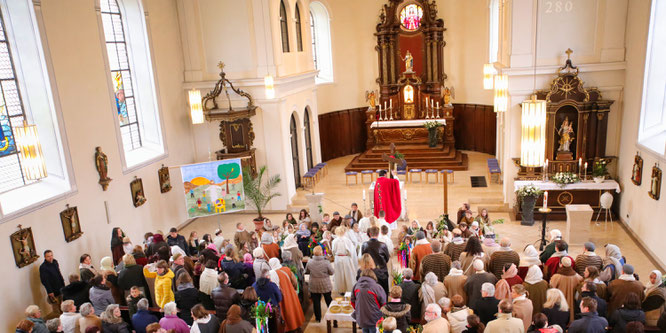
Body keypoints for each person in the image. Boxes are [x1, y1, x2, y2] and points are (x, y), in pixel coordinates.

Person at [269, 258, 305, 332]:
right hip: (291, 292)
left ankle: (288, 328)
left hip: (282, 295)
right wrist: (294, 289)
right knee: (293, 309)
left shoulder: (272, 273)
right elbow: (294, 281)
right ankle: (297, 326)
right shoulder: (286, 269)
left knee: (286, 311)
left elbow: (273, 287)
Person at [352, 269, 387, 333]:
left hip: (362, 317)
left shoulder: (356, 286)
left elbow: (352, 302)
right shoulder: (377, 287)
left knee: (364, 330)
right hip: (374, 318)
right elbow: (384, 304)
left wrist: (359, 310)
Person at [306, 245, 335, 322]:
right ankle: (333, 314)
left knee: (316, 301)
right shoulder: (326, 262)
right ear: (321, 253)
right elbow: (332, 272)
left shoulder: (310, 262)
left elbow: (307, 271)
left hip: (314, 283)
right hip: (325, 283)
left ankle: (318, 318)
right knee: (328, 299)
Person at [548, 257, 582, 323]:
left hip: (560, 302)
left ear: (561, 265)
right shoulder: (577, 277)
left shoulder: (556, 277)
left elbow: (551, 287)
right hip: (572, 303)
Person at [362, 226, 390, 294]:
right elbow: (387, 258)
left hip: (368, 271)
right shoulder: (383, 245)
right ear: (378, 234)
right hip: (381, 271)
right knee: (383, 292)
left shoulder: (364, 244)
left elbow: (364, 257)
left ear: (370, 234)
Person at [332, 226, 359, 294]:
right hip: (346, 258)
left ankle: (341, 290)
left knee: (339, 275)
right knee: (348, 274)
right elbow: (351, 251)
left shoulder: (335, 240)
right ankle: (349, 289)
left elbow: (333, 251)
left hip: (338, 259)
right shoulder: (347, 240)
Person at [40, 250, 66, 317]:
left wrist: (63, 284)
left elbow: (59, 273)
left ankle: (64, 317)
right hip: (53, 289)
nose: (50, 257)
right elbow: (44, 280)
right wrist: (50, 291)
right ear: (45, 257)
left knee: (63, 304)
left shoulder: (55, 262)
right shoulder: (43, 267)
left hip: (60, 286)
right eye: (48, 256)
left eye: (51, 255)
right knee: (56, 307)